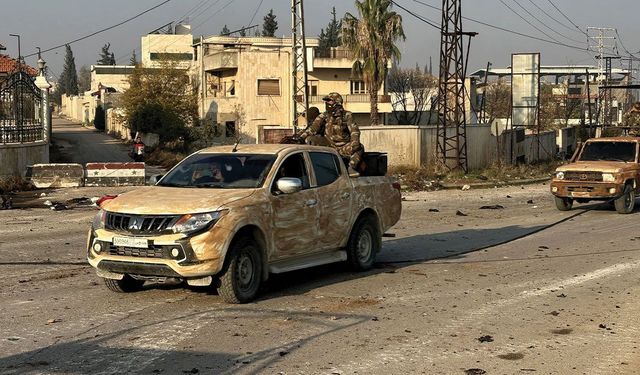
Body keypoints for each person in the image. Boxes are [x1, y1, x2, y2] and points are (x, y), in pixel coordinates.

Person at [300, 92, 363, 173]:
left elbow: (354, 131)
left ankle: (351, 168)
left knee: (359, 147)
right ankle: (312, 168)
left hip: (343, 147)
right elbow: (313, 128)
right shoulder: (325, 115)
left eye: (329, 101)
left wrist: (355, 142)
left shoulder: (347, 115)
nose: (327, 103)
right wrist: (301, 137)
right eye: (326, 101)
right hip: (328, 145)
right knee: (310, 139)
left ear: (337, 102)